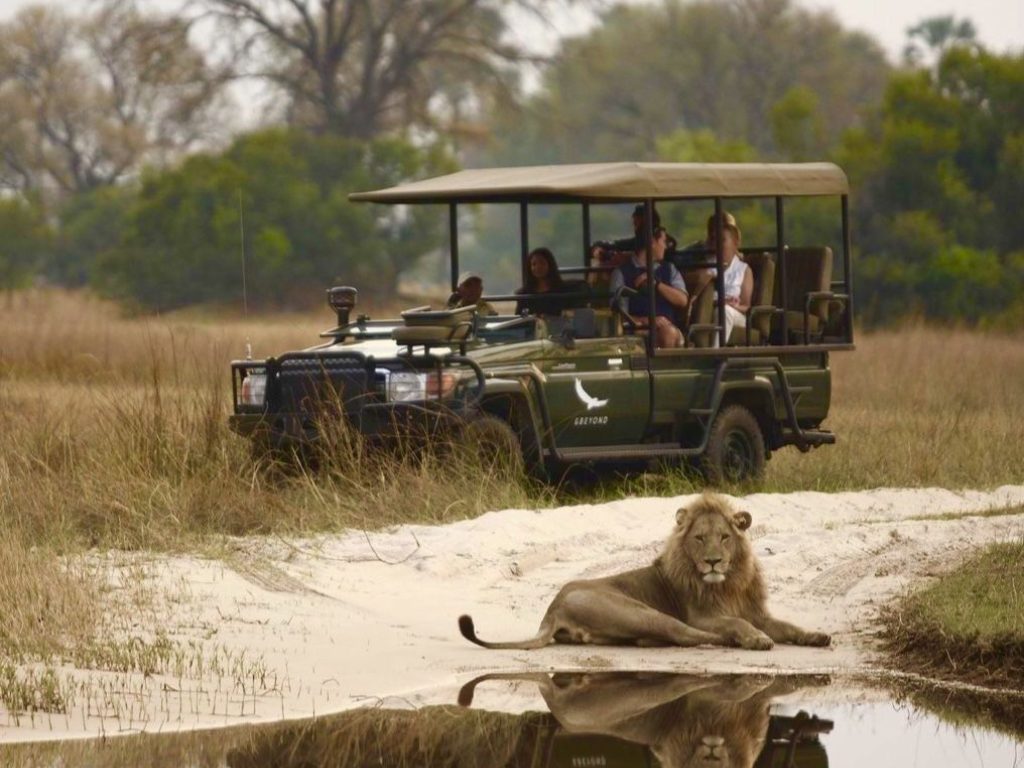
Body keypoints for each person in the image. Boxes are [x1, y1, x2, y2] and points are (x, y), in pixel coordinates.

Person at [609, 226, 688, 348]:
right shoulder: (621, 273)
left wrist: (657, 285)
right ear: (652, 242)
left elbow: (682, 300)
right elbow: (619, 314)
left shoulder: (669, 269)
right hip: (638, 329)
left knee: (669, 333)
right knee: (662, 334)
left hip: (669, 328)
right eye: (663, 241)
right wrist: (648, 320)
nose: (665, 246)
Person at [588, 203, 676, 289]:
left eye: (636, 224)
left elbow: (667, 256)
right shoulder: (635, 242)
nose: (635, 228)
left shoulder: (666, 246)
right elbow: (611, 245)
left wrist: (629, 257)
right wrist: (597, 250)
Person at [705, 211, 753, 346]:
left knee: (724, 312)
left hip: (734, 314)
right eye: (714, 240)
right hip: (712, 308)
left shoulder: (743, 269)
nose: (717, 245)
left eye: (722, 240)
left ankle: (716, 355)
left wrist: (731, 305)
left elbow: (746, 306)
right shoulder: (708, 266)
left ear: (735, 242)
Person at [515, 247, 570, 316]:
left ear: (550, 265)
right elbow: (520, 318)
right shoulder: (524, 294)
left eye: (542, 263)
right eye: (534, 264)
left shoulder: (563, 291)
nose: (538, 267)